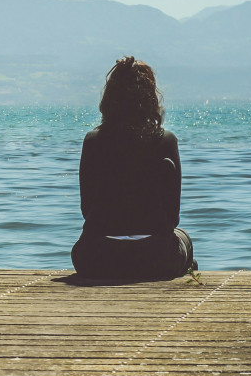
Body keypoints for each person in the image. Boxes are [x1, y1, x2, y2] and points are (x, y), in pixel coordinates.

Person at [71, 56, 195, 279]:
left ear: (109, 99)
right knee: (183, 236)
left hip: (98, 257)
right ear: (150, 99)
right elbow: (173, 218)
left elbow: (86, 210)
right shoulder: (166, 141)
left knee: (81, 247)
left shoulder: (93, 142)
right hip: (156, 257)